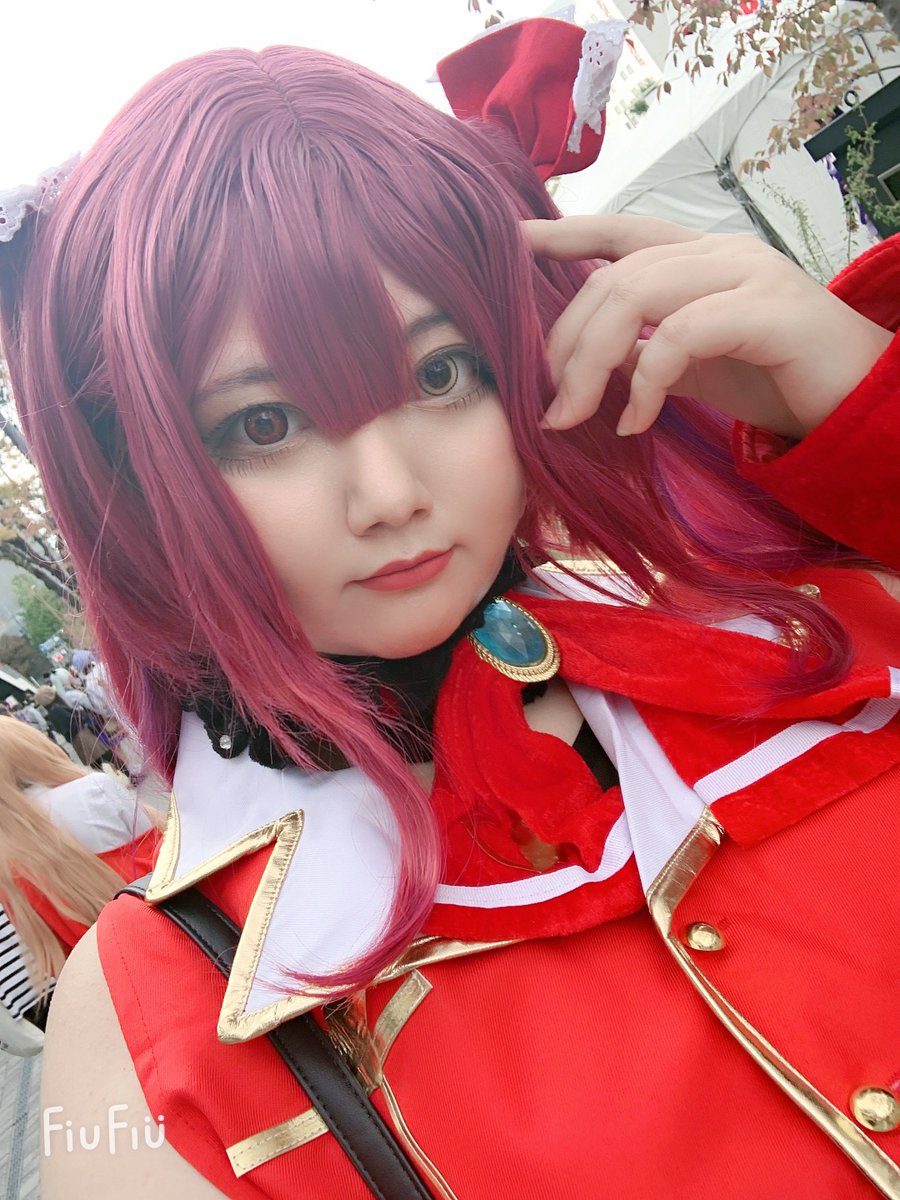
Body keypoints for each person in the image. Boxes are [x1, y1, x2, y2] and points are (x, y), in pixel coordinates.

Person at [0, 18, 898, 1200]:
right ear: (137, 482)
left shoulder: (798, 633)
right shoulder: (150, 1023)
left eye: (438, 372)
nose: (390, 495)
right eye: (263, 424)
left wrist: (862, 416)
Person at [0, 717, 160, 1028]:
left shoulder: (8, 868)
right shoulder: (92, 790)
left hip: (124, 987)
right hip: (180, 933)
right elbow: (168, 854)